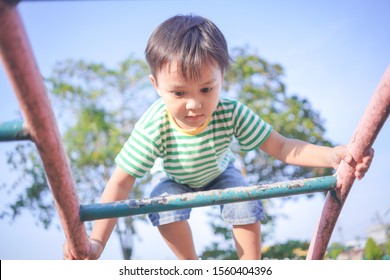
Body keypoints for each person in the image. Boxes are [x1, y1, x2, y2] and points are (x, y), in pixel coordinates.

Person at [63, 14, 374, 260]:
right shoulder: (154, 124)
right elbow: (120, 182)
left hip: (220, 172)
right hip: (176, 177)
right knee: (160, 202)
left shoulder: (231, 112)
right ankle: (190, 264)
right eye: (179, 92)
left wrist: (333, 155)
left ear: (222, 78)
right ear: (156, 86)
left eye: (206, 89)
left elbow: (282, 147)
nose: (195, 104)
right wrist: (96, 242)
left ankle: (250, 266)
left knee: (244, 196)